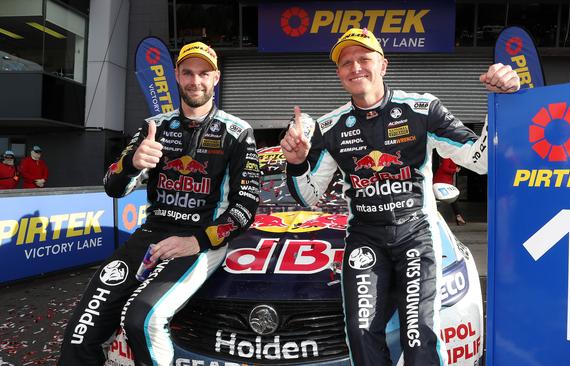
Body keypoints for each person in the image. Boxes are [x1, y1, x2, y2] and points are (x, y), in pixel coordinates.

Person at [281, 28, 519, 366]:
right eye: (346, 62)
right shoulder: (330, 126)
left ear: (383, 65)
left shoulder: (421, 109)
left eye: (364, 58)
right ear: (338, 73)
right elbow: (309, 195)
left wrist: (501, 103)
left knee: (418, 334)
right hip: (364, 239)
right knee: (362, 334)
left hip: (415, 235)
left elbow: (480, 161)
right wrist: (296, 163)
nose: (355, 67)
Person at [58, 41, 260, 366]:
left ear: (216, 77)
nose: (196, 80)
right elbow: (113, 186)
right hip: (149, 236)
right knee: (81, 331)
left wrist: (196, 240)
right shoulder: (155, 126)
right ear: (177, 77)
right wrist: (132, 164)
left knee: (141, 319)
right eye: (188, 72)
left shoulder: (237, 132)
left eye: (204, 73)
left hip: (202, 243)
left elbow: (245, 206)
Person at [434, 157, 466, 225]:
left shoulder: (453, 158)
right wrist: (455, 170)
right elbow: (444, 168)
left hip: (446, 181)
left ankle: (458, 216)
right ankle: (458, 216)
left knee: (452, 198)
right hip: (441, 181)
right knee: (440, 198)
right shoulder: (448, 157)